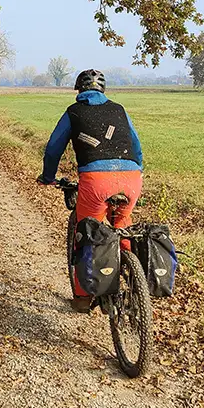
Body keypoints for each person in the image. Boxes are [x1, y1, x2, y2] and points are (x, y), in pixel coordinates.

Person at [37, 68, 143, 312]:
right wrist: (137, 170)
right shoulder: (119, 109)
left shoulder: (74, 112)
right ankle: (133, 280)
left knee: (87, 236)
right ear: (103, 91)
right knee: (122, 227)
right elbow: (136, 146)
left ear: (79, 90)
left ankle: (83, 298)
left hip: (96, 181)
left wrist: (48, 177)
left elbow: (54, 147)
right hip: (131, 178)